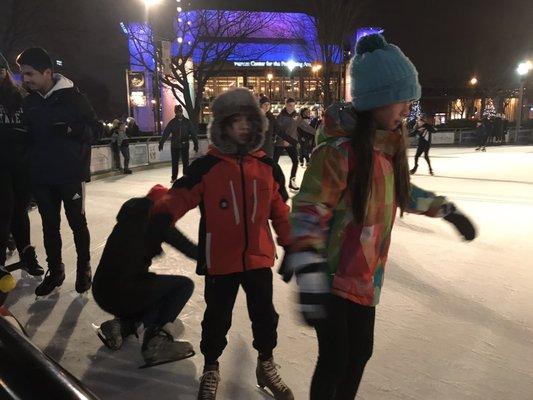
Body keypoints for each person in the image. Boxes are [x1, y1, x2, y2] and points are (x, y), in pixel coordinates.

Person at [284, 34, 477, 400]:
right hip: (332, 276)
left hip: (366, 276)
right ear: (375, 100)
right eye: (402, 100)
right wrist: (309, 273)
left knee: (359, 354)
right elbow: (310, 210)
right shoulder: (339, 154)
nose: (408, 109)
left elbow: (404, 192)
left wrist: (446, 210)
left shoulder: (387, 150)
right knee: (336, 358)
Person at [151, 88, 294, 400]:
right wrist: (160, 217)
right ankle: (211, 366)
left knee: (265, 317)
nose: (243, 126)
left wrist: (292, 244)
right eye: (235, 120)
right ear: (223, 126)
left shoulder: (268, 167)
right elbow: (179, 196)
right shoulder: (207, 167)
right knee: (217, 318)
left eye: (248, 120)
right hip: (221, 261)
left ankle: (266, 363)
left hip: (258, 259)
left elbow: (280, 209)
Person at [16, 47, 97, 296]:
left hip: (70, 174)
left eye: (29, 73)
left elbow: (96, 129)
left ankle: (84, 268)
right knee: (50, 227)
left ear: (47, 72)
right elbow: (26, 138)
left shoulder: (74, 97)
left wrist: (73, 130)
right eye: (22, 74)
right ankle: (56, 270)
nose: (25, 79)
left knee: (77, 223)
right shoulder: (28, 103)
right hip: (42, 176)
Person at [92, 185, 197, 367]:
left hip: (101, 291)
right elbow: (190, 249)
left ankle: (122, 327)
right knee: (183, 286)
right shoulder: (157, 220)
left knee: (151, 291)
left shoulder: (127, 217)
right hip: (125, 293)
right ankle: (155, 341)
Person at [0, 51, 43, 275]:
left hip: (21, 164)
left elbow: (32, 130)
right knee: (4, 209)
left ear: (6, 72)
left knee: (19, 210)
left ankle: (27, 255)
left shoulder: (20, 97)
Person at [159, 105, 198, 182]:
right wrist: (161, 142)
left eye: (180, 112)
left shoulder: (187, 122)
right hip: (175, 145)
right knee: (174, 162)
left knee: (185, 162)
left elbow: (193, 133)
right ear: (175, 113)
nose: (179, 113)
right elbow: (166, 133)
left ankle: (185, 175)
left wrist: (196, 144)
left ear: (182, 112)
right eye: (177, 112)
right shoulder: (172, 122)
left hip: (185, 145)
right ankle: (174, 177)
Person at [274, 98, 300, 190]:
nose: (291, 107)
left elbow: (303, 127)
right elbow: (278, 130)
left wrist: (316, 132)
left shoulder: (296, 115)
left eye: (293, 105)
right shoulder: (280, 116)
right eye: (289, 105)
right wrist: (284, 140)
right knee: (274, 162)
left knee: (295, 161)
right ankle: (274, 182)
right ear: (285, 105)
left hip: (291, 142)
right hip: (280, 142)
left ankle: (292, 181)